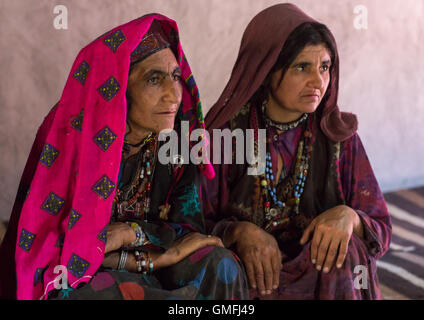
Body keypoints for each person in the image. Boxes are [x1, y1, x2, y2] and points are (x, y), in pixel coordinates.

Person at [0, 14, 248, 300]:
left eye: (176, 77)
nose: (173, 95)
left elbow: (188, 231)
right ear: (115, 88)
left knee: (220, 263)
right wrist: (138, 258)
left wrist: (131, 234)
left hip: (155, 256)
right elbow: (49, 246)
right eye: (154, 79)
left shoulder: (178, 143)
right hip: (84, 273)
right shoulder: (71, 133)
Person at [203, 3, 391, 300]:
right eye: (302, 67)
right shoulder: (225, 137)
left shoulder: (338, 138)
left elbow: (380, 227)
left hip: (319, 274)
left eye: (325, 67)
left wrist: (349, 217)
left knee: (347, 248)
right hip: (253, 276)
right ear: (266, 70)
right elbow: (188, 225)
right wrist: (239, 232)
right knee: (222, 265)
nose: (318, 82)